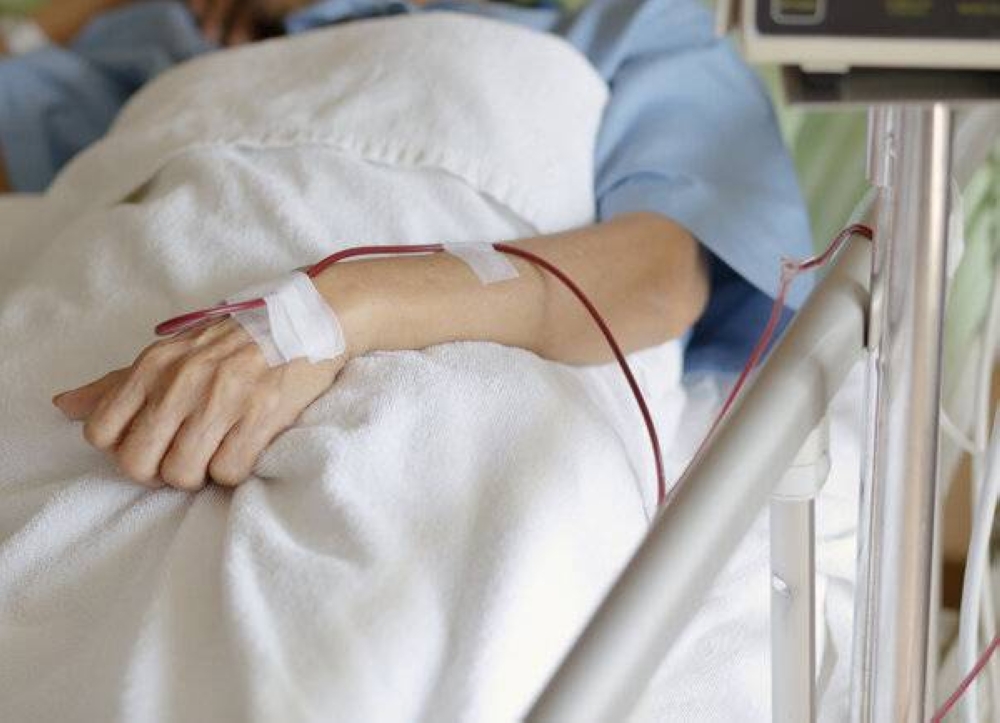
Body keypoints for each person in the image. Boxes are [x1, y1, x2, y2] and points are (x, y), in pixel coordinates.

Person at [1, 0, 812, 489]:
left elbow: (658, 273)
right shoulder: (180, 40)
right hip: (84, 376)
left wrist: (323, 316)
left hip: (417, 398)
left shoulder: (635, 27)